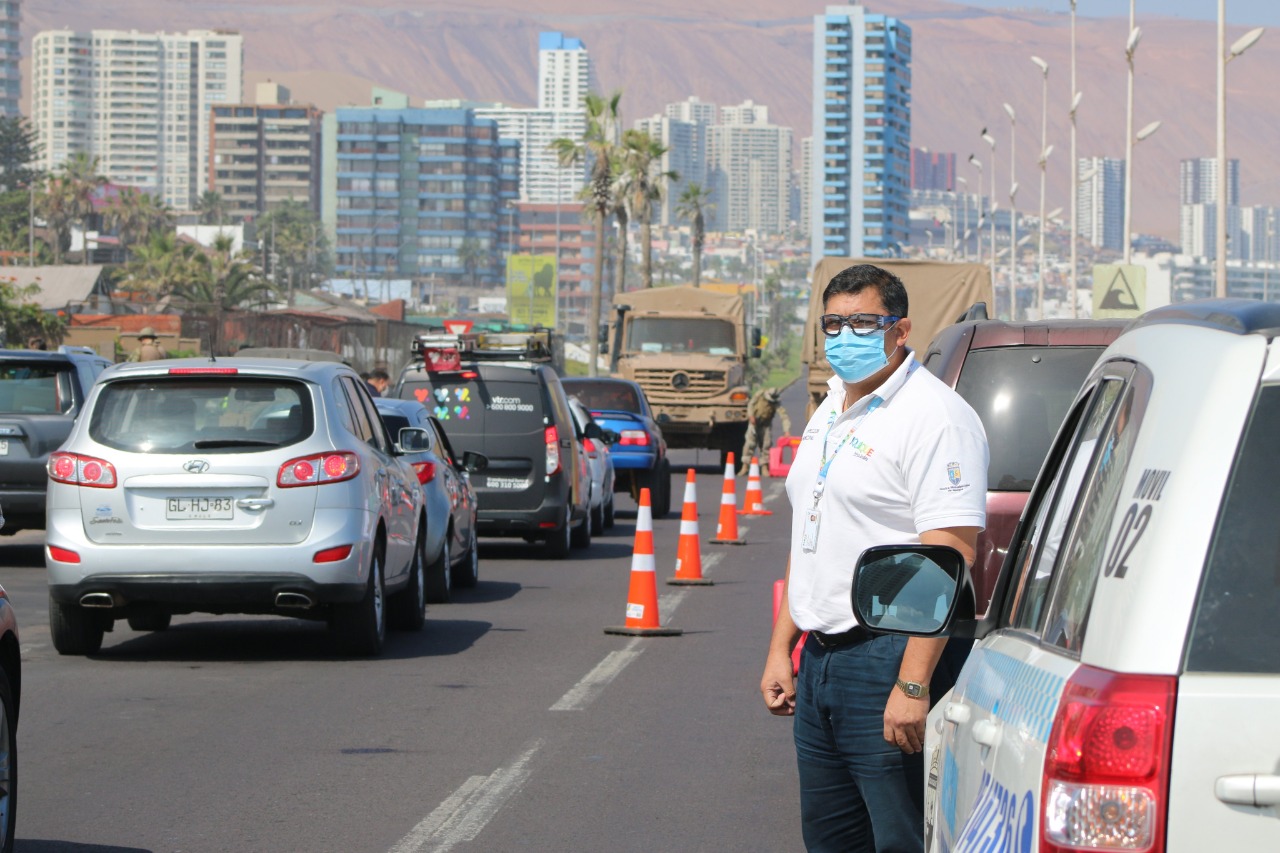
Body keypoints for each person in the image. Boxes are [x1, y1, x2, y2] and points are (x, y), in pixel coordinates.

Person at [760, 263, 989, 853]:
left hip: (890, 655)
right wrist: (781, 648)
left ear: (901, 329)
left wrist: (913, 684)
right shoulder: (832, 406)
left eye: (864, 322)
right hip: (822, 659)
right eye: (833, 324)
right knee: (833, 839)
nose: (845, 336)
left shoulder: (934, 417)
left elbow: (951, 550)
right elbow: (811, 535)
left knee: (901, 838)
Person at [741, 386, 792, 475]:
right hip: (754, 423)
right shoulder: (759, 395)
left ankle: (765, 466)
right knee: (749, 444)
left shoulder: (775, 402)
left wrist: (786, 430)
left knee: (766, 445)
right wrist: (751, 415)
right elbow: (750, 404)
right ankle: (745, 466)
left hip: (765, 425)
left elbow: (784, 416)